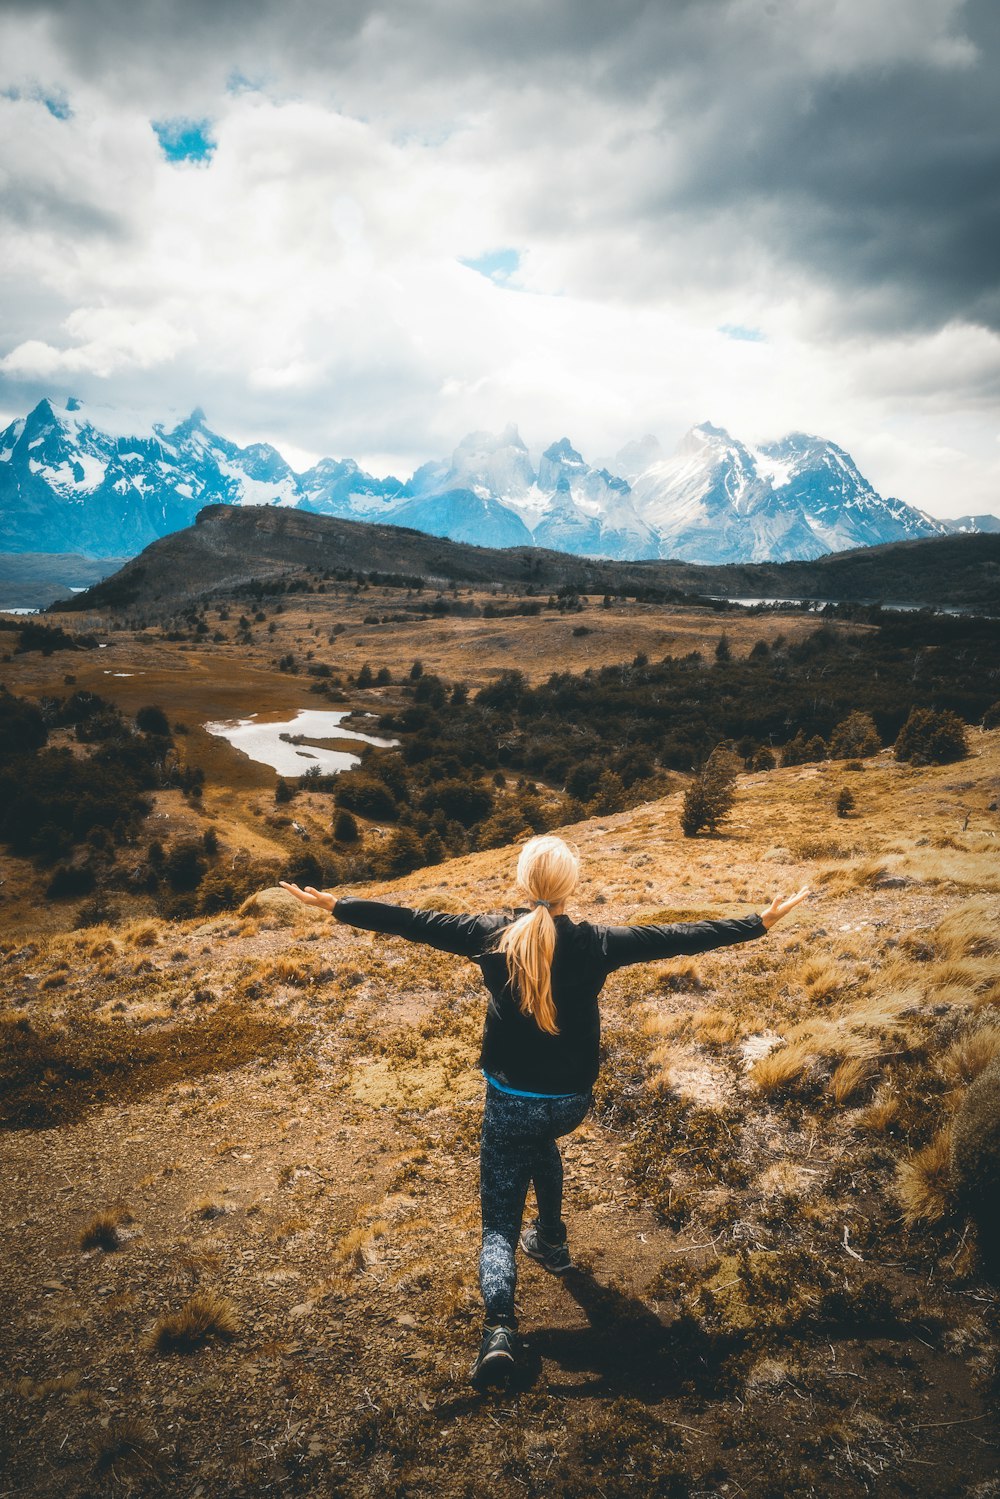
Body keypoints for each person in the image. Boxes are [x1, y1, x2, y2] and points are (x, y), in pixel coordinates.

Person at [280, 836, 809, 1389]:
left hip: (511, 1102)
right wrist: (758, 922)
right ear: (570, 885)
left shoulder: (488, 934)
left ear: (521, 881)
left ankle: (500, 1330)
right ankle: (552, 1242)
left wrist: (336, 906)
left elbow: (410, 921)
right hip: (571, 1101)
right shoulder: (600, 941)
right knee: (542, 1145)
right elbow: (675, 938)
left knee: (497, 1226)